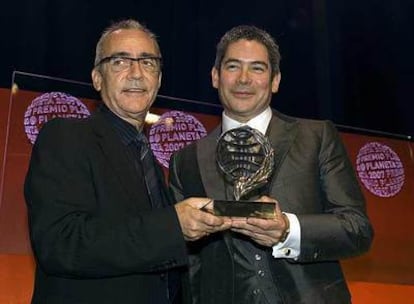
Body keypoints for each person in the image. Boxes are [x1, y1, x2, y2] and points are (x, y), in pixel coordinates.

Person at [24, 19, 230, 304]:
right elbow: (61, 243)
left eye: (148, 62)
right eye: (120, 61)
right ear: (97, 78)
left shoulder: (153, 164)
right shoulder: (66, 136)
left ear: (159, 79)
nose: (136, 73)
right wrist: (173, 225)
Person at [169, 25, 374, 304]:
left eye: (257, 68)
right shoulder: (185, 160)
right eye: (233, 67)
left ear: (275, 80)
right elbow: (189, 267)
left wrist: (288, 230)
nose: (243, 79)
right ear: (215, 77)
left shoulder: (316, 137)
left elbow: (357, 229)